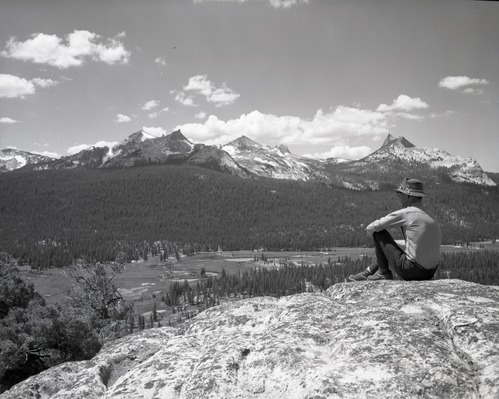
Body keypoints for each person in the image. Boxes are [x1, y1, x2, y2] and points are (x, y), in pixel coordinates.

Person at [348, 178, 441, 281]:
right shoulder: (430, 216)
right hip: (430, 272)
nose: (399, 197)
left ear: (408, 196)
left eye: (399, 193)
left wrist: (373, 236)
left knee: (379, 233)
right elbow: (416, 245)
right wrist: (389, 246)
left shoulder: (407, 213)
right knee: (391, 244)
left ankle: (383, 273)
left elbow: (372, 227)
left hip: (412, 270)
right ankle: (368, 272)